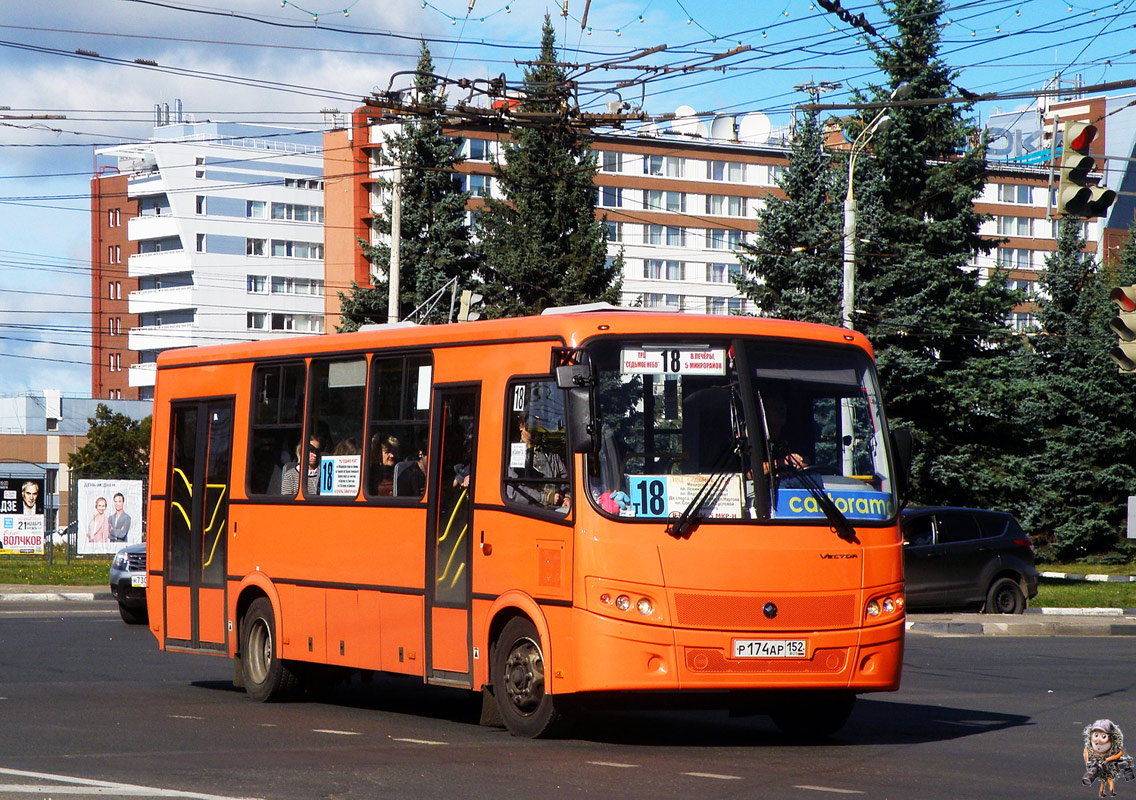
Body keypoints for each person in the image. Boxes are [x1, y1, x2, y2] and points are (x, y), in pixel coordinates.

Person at [506, 413, 569, 510]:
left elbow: (566, 480)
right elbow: (512, 493)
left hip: (557, 512)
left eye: (540, 425)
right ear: (521, 426)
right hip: (532, 514)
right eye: (532, 424)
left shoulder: (551, 454)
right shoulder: (515, 454)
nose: (537, 429)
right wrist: (545, 498)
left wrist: (567, 497)